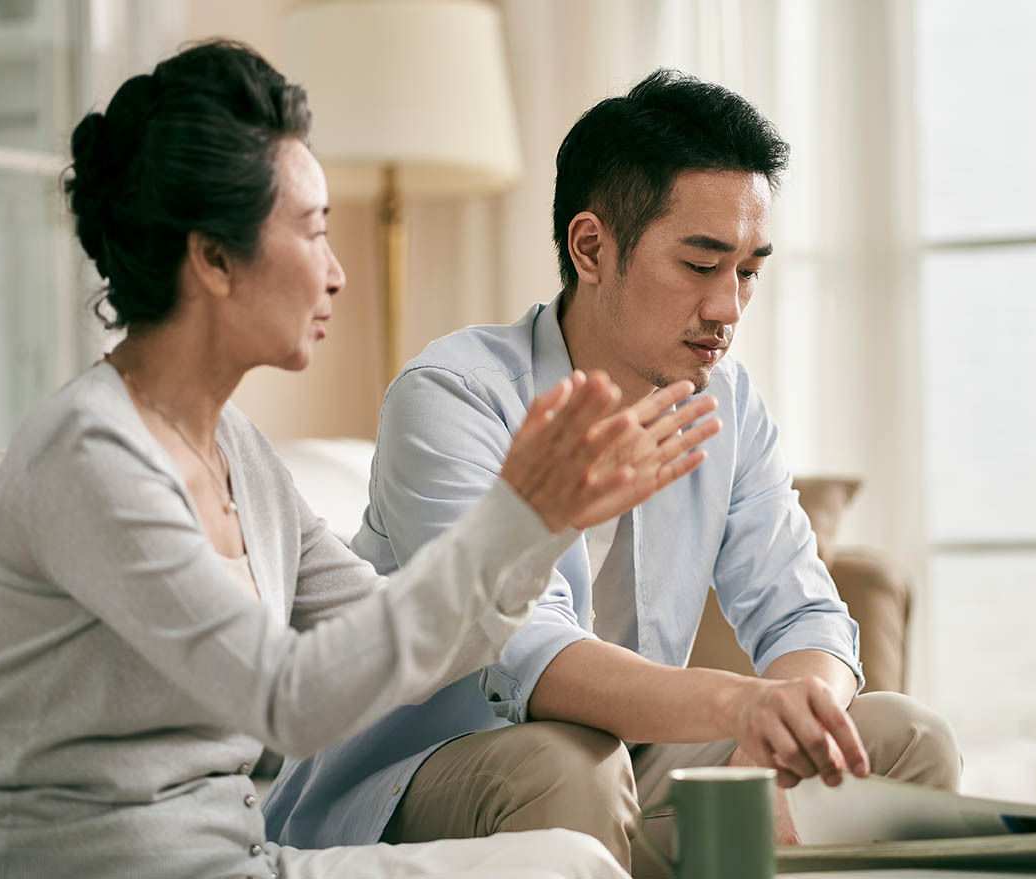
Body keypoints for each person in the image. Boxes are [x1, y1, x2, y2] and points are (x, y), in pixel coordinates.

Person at [0, 43, 722, 879]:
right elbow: (291, 696)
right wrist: (516, 514)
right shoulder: (90, 458)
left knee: (568, 858)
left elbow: (401, 643)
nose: (337, 273)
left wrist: (544, 526)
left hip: (236, 860)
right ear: (214, 258)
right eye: (311, 230)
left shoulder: (236, 450)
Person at [263, 69, 963, 877]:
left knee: (908, 740)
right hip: (414, 778)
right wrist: (743, 703)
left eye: (748, 270)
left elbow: (807, 616)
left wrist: (785, 732)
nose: (729, 308)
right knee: (570, 759)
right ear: (590, 247)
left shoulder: (726, 402)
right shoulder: (452, 397)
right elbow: (529, 657)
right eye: (702, 265)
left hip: (630, 762)